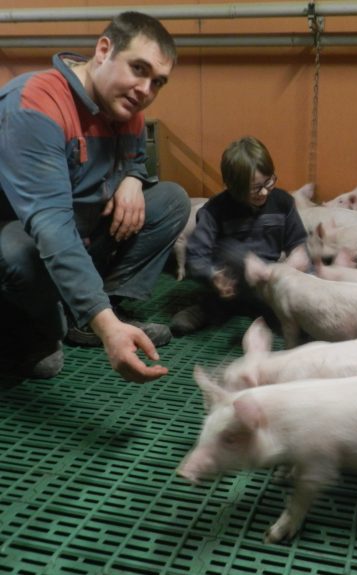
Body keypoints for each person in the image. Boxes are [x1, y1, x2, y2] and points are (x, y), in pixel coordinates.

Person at [0, 12, 191, 382]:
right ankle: (39, 326)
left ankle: (95, 311)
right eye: (139, 68)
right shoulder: (36, 104)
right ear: (104, 50)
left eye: (158, 83)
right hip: (22, 229)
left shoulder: (125, 107)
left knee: (171, 200)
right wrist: (108, 330)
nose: (146, 90)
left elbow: (135, 159)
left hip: (81, 227)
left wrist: (133, 180)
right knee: (18, 255)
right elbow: (50, 225)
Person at [170, 136, 309, 335]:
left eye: (268, 182)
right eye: (254, 189)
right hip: (230, 284)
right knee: (231, 252)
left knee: (306, 288)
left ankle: (242, 308)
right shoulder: (214, 211)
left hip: (268, 283)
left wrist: (297, 258)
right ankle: (210, 308)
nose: (263, 193)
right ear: (233, 188)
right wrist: (212, 275)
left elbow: (298, 243)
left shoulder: (283, 202)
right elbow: (196, 256)